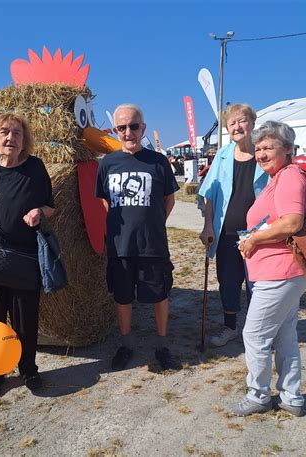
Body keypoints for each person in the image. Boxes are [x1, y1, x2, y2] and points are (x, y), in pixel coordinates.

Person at [0, 113, 55, 400]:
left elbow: (51, 207)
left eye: (17, 133)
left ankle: (28, 369)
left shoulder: (36, 168)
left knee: (25, 319)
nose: (10, 138)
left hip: (24, 259)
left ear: (24, 139)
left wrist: (39, 212)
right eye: (5, 132)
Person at [228, 121, 306, 417]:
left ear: (288, 150)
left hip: (279, 272)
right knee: (284, 334)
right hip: (283, 272)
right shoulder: (278, 178)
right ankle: (291, 397)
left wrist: (254, 238)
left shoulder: (288, 177)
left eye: (268, 147)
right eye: (259, 148)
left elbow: (292, 222)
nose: (261, 153)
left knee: (254, 335)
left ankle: (258, 395)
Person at [95, 103, 180, 371]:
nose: (128, 132)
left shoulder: (158, 162)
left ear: (142, 127)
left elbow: (169, 200)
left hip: (152, 245)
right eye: (122, 127)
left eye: (133, 126)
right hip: (120, 247)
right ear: (116, 130)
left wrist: (151, 224)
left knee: (159, 295)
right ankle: (126, 344)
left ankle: (162, 345)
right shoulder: (107, 164)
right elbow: (106, 203)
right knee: (122, 297)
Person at [198, 104, 268, 346]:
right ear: (227, 129)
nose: (237, 127)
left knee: (257, 283)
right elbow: (209, 193)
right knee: (228, 280)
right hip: (227, 232)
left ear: (252, 123)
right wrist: (208, 225)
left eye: (242, 121)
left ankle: (257, 331)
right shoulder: (223, 155)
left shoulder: (264, 154)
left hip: (259, 233)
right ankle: (230, 328)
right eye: (232, 123)